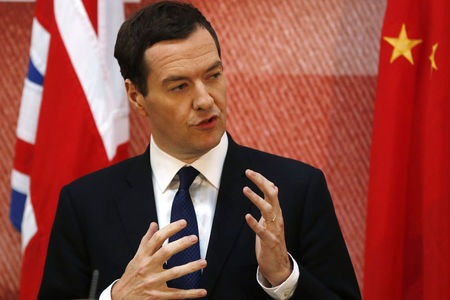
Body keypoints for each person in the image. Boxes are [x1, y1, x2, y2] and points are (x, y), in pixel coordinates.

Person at [38, 1, 361, 299]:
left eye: (214, 75)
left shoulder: (295, 189)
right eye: (179, 86)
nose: (206, 99)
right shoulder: (85, 203)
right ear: (137, 97)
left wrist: (283, 277)